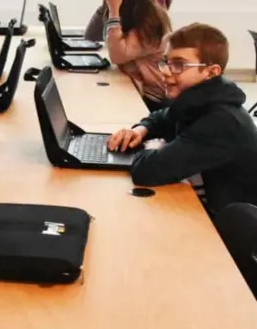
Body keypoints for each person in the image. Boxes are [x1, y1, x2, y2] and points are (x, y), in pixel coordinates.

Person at [107, 23, 257, 216]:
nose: (166, 71)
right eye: (166, 62)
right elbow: (163, 117)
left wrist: (152, 147)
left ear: (211, 72)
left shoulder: (222, 122)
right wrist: (140, 130)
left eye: (179, 65)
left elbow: (146, 171)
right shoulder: (203, 99)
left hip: (229, 229)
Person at [100, 0, 172, 111]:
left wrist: (114, 10)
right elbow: (105, 39)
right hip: (139, 88)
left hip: (152, 99)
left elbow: (117, 55)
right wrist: (109, 9)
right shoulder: (137, 17)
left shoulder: (152, 23)